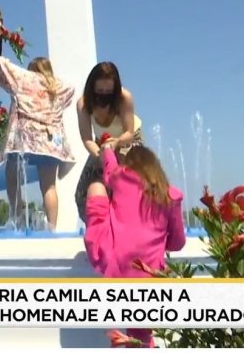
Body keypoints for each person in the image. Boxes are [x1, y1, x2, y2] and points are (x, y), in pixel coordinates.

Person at [84, 144, 186, 348]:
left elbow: (109, 169)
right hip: (150, 276)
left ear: (129, 165)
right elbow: (178, 243)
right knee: (141, 335)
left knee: (96, 188)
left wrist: (107, 150)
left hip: (114, 264)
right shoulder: (170, 195)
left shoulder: (121, 177)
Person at [0, 56, 76, 231]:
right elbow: (72, 90)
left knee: (12, 176)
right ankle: (51, 227)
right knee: (49, 185)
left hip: (25, 138)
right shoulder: (59, 87)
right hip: (50, 141)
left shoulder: (24, 79)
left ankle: (16, 218)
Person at [75, 61, 144, 223]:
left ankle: (132, 225)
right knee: (82, 192)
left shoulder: (124, 98)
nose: (103, 95)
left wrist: (117, 143)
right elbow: (87, 139)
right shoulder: (83, 104)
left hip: (128, 140)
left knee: (126, 184)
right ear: (92, 88)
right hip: (101, 145)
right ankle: (99, 227)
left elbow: (129, 132)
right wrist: (100, 155)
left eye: (108, 92)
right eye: (99, 91)